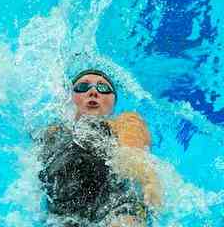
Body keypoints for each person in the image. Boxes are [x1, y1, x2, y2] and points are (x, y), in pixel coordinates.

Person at [37, 69, 162, 227]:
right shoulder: (53, 132)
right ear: (69, 98)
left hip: (116, 201)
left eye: (103, 88)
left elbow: (132, 151)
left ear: (113, 102)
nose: (93, 92)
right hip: (61, 211)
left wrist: (148, 179)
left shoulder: (123, 121)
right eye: (83, 87)